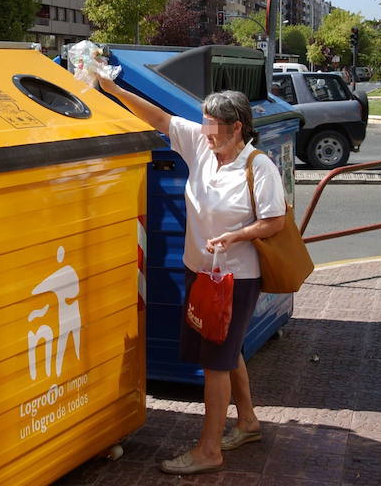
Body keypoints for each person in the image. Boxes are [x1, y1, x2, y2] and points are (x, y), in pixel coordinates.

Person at [98, 76, 287, 476]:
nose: (206, 133)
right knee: (226, 345)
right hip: (198, 270)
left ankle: (209, 449)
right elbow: (160, 118)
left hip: (235, 279)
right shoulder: (201, 145)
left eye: (214, 127)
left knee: (215, 362)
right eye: (203, 124)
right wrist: (114, 92)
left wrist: (236, 235)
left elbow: (274, 221)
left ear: (237, 128)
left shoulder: (259, 167)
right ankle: (248, 421)